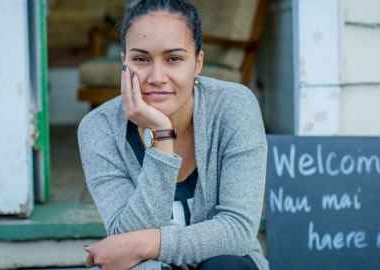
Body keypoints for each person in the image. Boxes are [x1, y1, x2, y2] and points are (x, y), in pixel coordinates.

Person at [77, 0, 268, 269]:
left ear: (198, 62)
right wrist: (162, 137)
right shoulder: (99, 128)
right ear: (124, 62)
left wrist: (148, 243)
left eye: (174, 59)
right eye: (141, 59)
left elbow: (238, 231)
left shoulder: (234, 106)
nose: (157, 77)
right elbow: (125, 235)